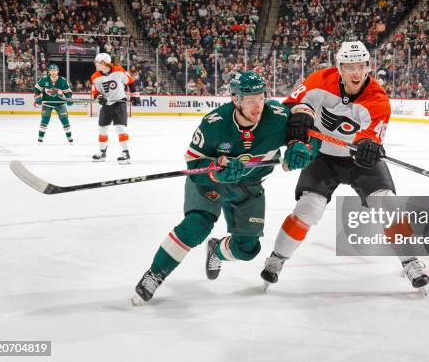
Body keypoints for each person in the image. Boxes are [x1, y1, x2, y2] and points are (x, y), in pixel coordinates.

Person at [260, 41, 429, 292]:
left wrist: (368, 145)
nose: (356, 72)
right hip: (323, 157)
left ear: (368, 67)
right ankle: (276, 260)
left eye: (360, 66)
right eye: (349, 66)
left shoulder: (377, 98)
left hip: (357, 160)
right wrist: (301, 114)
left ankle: (410, 261)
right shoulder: (320, 79)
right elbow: (290, 105)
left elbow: (371, 134)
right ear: (339, 67)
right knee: (308, 209)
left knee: (387, 203)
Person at [132, 71, 314, 305]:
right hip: (212, 183)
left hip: (249, 186)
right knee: (196, 226)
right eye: (250, 100)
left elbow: (306, 120)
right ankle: (155, 273)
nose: (257, 106)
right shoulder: (214, 123)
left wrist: (301, 146)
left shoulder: (277, 117)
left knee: (247, 249)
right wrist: (215, 168)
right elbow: (193, 164)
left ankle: (216, 251)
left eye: (260, 98)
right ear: (235, 99)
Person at [90, 52, 135, 164]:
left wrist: (134, 94)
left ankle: (126, 153)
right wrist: (99, 97)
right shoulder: (95, 76)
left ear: (104, 63)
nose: (95, 64)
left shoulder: (118, 70)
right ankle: (102, 152)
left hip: (119, 103)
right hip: (106, 105)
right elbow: (95, 91)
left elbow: (130, 81)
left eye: (97, 62)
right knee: (102, 128)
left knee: (120, 128)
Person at [33, 64, 73, 144]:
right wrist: (38, 98)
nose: (53, 72)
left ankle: (69, 138)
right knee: (45, 119)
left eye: (55, 70)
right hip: (47, 103)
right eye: (52, 70)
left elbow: (68, 92)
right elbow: (37, 91)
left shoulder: (63, 80)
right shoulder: (44, 79)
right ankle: (40, 138)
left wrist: (69, 99)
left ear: (58, 71)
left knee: (65, 120)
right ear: (49, 71)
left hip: (60, 104)